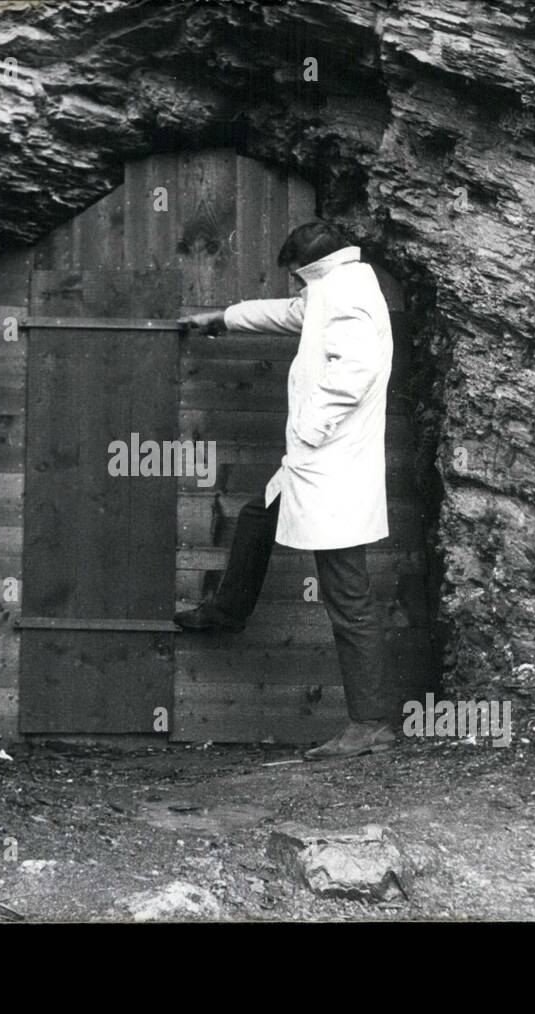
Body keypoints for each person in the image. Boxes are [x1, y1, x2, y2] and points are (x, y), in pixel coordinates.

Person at [176, 221, 394, 760]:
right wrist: (222, 318)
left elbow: (357, 371)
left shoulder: (346, 298)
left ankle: (369, 724)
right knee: (257, 516)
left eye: (295, 278)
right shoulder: (337, 289)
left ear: (308, 271)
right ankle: (229, 608)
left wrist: (308, 431)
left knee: (349, 600)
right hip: (312, 465)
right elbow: (288, 314)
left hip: (332, 471)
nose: (294, 289)